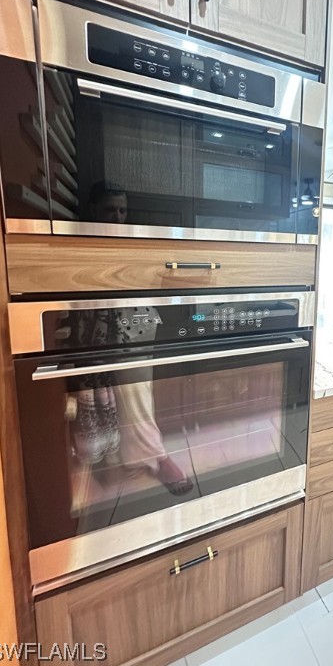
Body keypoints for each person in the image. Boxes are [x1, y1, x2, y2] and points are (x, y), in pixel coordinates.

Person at [72, 181, 193, 496]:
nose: (117, 216)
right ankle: (119, 458)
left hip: (137, 325)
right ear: (93, 210)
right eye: (110, 210)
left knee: (137, 392)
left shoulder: (132, 239)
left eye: (122, 210)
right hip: (100, 329)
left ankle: (156, 456)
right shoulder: (81, 241)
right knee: (111, 392)